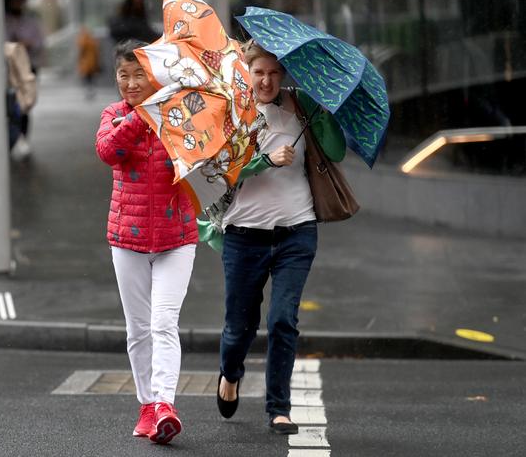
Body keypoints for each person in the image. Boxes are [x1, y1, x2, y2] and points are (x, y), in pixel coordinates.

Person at [215, 40, 343, 434]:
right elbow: (222, 171)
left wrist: (323, 116)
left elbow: (335, 152)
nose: (266, 80)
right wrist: (264, 160)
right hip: (243, 235)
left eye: (274, 73)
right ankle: (230, 373)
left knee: (283, 319)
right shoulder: (233, 111)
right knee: (240, 327)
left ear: (283, 74)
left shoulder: (303, 106)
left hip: (296, 232)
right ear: (247, 74)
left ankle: (279, 408)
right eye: (259, 73)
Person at [95, 39, 198, 445]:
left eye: (140, 73)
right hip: (127, 237)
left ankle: (165, 405)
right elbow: (109, 151)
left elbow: (206, 156)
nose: (132, 82)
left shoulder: (181, 113)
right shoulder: (113, 115)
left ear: (155, 74)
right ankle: (146, 405)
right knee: (138, 328)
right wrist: (144, 113)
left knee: (163, 322)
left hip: (178, 237)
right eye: (124, 74)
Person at [5, 0, 45, 158]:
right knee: (9, 104)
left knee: (25, 104)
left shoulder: (30, 22)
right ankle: (12, 139)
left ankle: (22, 139)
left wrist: (26, 44)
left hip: (28, 67)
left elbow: (39, 42)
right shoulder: (3, 21)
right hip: (8, 69)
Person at [76, 25, 100, 99]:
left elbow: (81, 50)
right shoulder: (92, 41)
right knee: (91, 78)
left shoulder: (84, 40)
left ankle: (89, 91)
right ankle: (91, 91)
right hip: (92, 63)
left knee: (87, 78)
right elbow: (97, 52)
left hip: (86, 63)